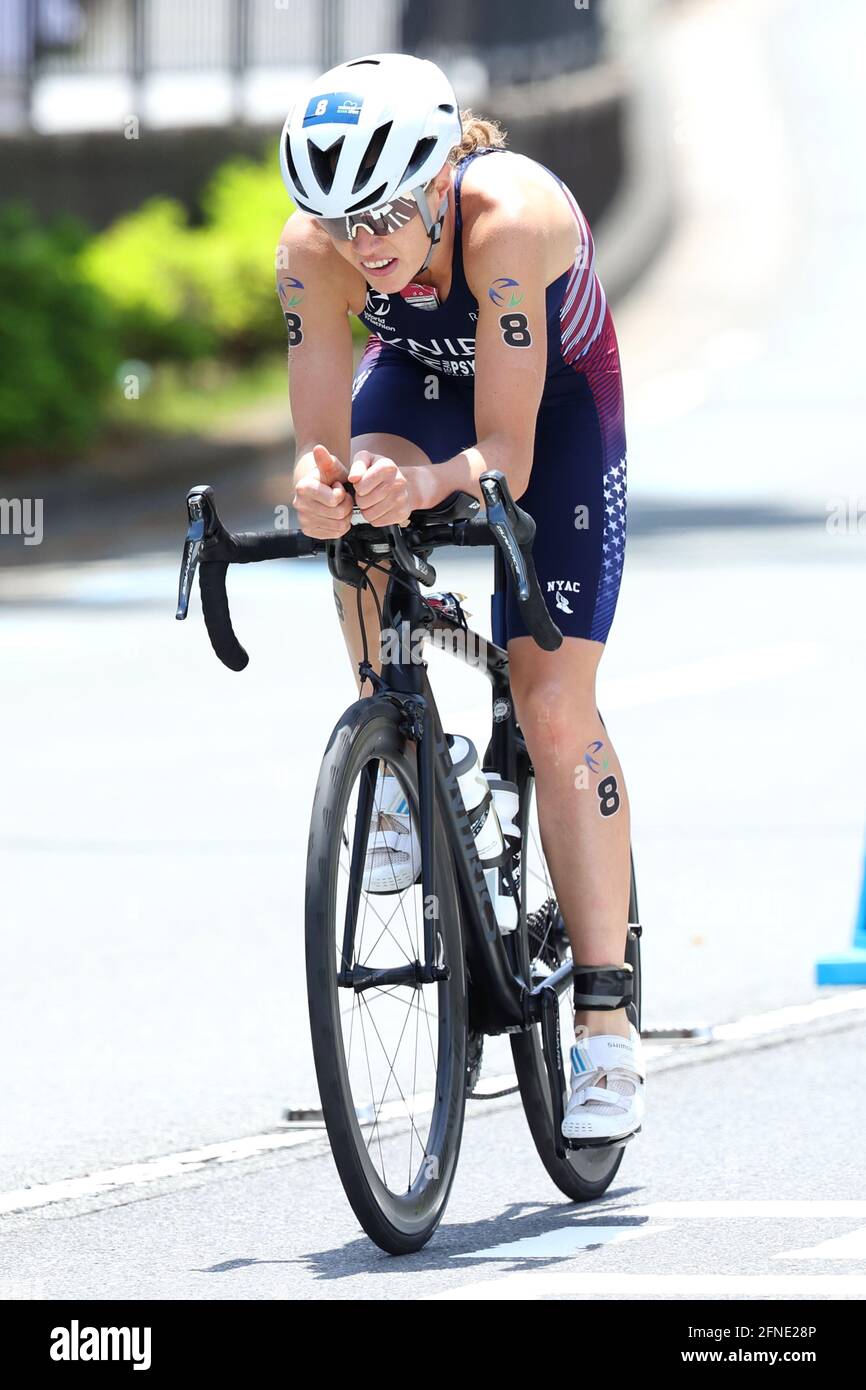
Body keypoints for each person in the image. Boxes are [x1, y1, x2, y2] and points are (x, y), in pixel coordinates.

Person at [275, 53, 645, 1145]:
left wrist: (429, 482)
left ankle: (604, 1016)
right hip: (424, 382)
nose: (365, 241)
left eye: (388, 210)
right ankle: (394, 764)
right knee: (355, 513)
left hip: (556, 412)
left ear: (440, 176)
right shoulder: (317, 250)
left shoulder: (509, 221)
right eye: (341, 220)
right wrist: (321, 484)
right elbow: (317, 444)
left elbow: (506, 458)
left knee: (550, 708)